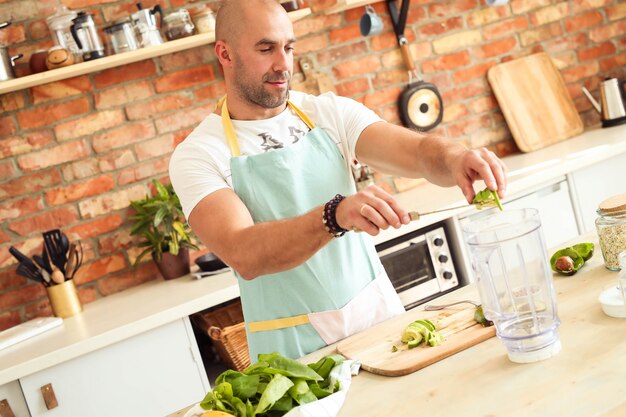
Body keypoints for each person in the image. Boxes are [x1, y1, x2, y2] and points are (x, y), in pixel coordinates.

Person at [168, 0, 507, 362]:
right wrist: (335, 215)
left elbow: (419, 151)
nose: (283, 64)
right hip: (297, 358)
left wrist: (456, 158)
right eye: (265, 49)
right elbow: (244, 253)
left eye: (289, 47)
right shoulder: (200, 154)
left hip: (381, 329)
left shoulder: (328, 113)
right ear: (226, 53)